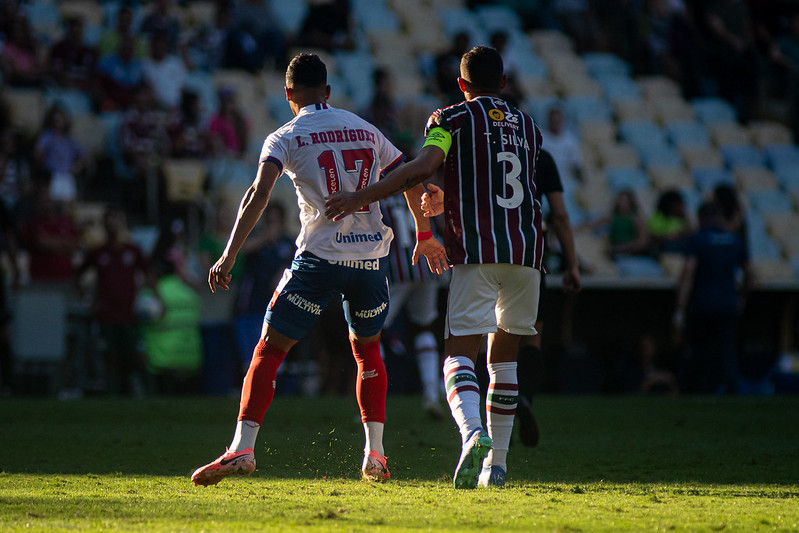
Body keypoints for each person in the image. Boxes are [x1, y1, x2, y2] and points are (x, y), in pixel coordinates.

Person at [191, 53, 448, 487]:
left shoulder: (285, 136)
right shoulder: (365, 127)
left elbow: (258, 192)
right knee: (368, 352)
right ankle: (376, 455)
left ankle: (242, 448)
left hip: (319, 260)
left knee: (269, 351)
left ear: (288, 94)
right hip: (370, 262)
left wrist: (229, 253)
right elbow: (409, 179)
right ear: (328, 92)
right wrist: (424, 234)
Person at [325, 46, 545, 489]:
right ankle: (496, 468)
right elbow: (506, 184)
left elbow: (421, 168)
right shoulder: (528, 126)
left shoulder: (449, 119)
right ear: (503, 83)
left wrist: (359, 197)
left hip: (477, 254)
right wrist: (449, 199)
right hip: (526, 254)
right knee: (504, 363)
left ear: (462, 86)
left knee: (458, 355)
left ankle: (472, 435)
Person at [515, 149, 581, 448]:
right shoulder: (539, 155)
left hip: (489, 250)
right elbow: (560, 215)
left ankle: (492, 420)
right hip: (531, 252)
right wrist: (572, 264)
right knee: (531, 337)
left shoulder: (481, 142)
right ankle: (524, 399)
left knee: (489, 340)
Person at [673, 201, 753, 394]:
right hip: (727, 302)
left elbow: (688, 274)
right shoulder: (734, 239)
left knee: (698, 349)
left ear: (701, 218)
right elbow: (750, 274)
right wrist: (741, 297)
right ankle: (732, 389)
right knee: (727, 349)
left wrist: (680, 308)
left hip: (702, 303)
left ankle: (695, 389)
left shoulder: (698, 239)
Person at [75, 207, 152, 394]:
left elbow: (149, 273)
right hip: (106, 313)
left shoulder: (133, 251)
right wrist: (84, 297)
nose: (112, 224)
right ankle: (113, 394)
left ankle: (140, 391)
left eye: (115, 219)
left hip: (129, 313)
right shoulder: (98, 253)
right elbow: (77, 274)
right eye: (108, 220)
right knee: (111, 357)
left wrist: (155, 298)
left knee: (135, 355)